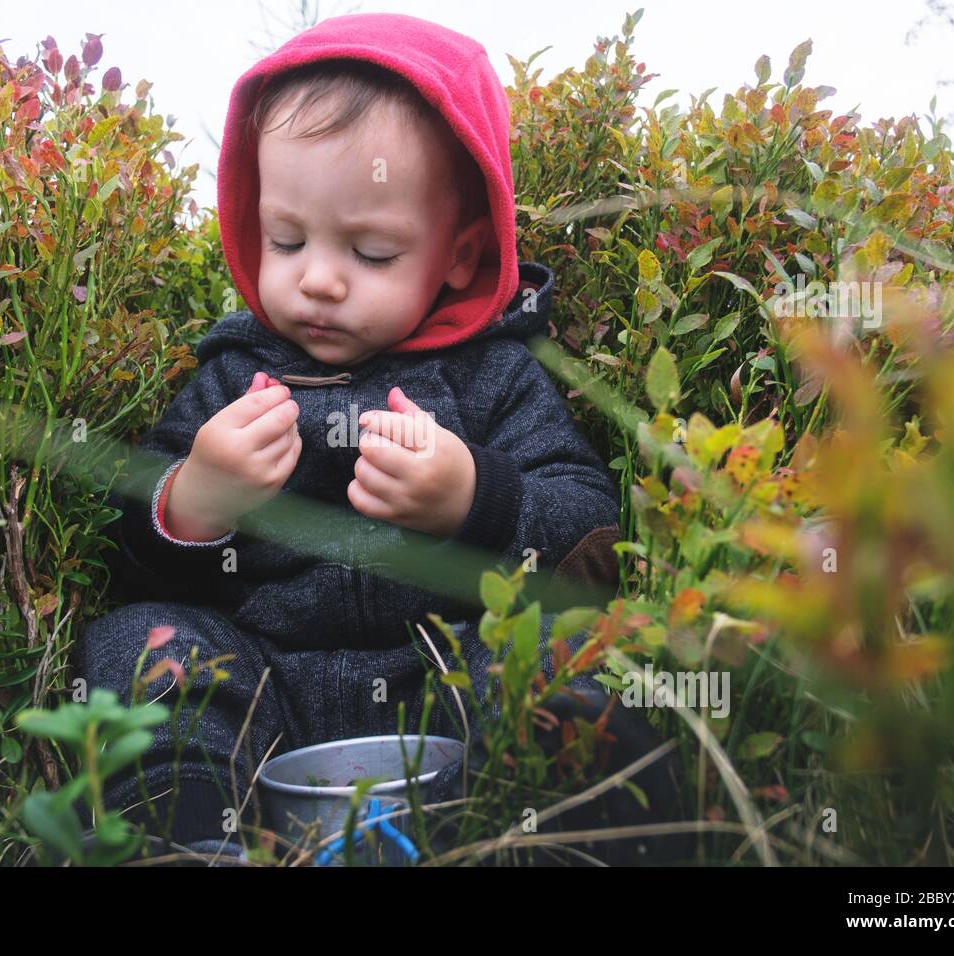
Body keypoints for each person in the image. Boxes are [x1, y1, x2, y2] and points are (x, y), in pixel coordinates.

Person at [74, 12, 687, 865]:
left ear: (460, 254)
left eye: (370, 251)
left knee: (555, 642)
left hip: (448, 674)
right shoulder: (231, 374)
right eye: (286, 239)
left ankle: (590, 823)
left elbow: (587, 535)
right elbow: (121, 546)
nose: (317, 279)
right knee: (141, 638)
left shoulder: (494, 375)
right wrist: (195, 499)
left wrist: (475, 497)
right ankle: (186, 834)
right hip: (265, 685)